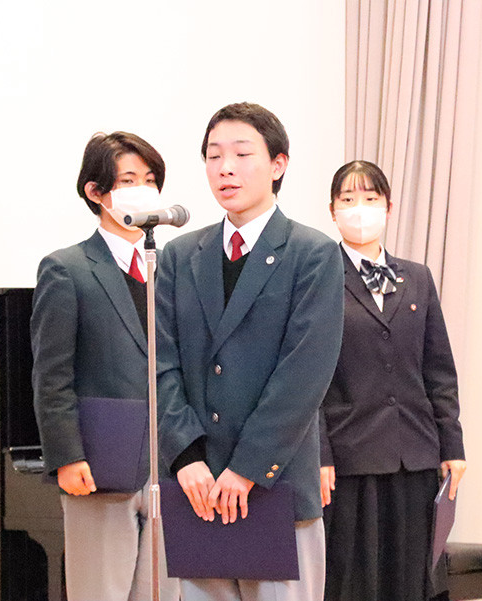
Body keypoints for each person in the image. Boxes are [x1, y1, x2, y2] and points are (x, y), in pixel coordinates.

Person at [155, 102, 344, 601]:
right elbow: (161, 363)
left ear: (278, 165)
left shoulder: (313, 253)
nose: (226, 168)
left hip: (274, 486)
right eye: (214, 156)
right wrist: (185, 456)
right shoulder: (178, 255)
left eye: (242, 154)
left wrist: (246, 468)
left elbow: (304, 375)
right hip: (196, 488)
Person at [31, 131, 180, 601]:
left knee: (162, 591)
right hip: (100, 461)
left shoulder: (173, 267)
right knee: (100, 591)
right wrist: (67, 455)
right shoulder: (67, 268)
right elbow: (52, 376)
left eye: (151, 180)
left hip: (170, 463)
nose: (144, 190)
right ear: (95, 192)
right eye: (129, 180)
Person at [320, 160, 467, 601]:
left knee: (413, 580)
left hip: (416, 454)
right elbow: (310, 379)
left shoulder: (417, 277)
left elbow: (438, 369)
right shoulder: (318, 276)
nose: (359, 209)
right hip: (350, 458)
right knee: (354, 581)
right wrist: (318, 453)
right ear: (332, 211)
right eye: (348, 199)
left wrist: (452, 445)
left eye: (370, 198)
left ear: (388, 207)